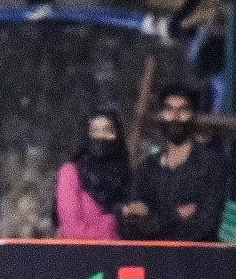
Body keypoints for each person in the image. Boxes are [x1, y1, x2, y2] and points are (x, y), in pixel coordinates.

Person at [119, 83, 226, 242]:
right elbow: (130, 225)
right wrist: (176, 215)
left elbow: (205, 226)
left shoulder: (211, 165)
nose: (175, 117)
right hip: (152, 259)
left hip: (197, 260)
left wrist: (152, 220)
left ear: (193, 116)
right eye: (169, 110)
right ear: (161, 115)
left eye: (183, 110)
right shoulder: (148, 168)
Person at [55, 107, 131, 240]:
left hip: (118, 259)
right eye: (94, 131)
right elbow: (71, 231)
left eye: (108, 130)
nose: (100, 136)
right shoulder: (71, 173)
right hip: (77, 258)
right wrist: (112, 225)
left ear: (117, 136)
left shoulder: (127, 177)